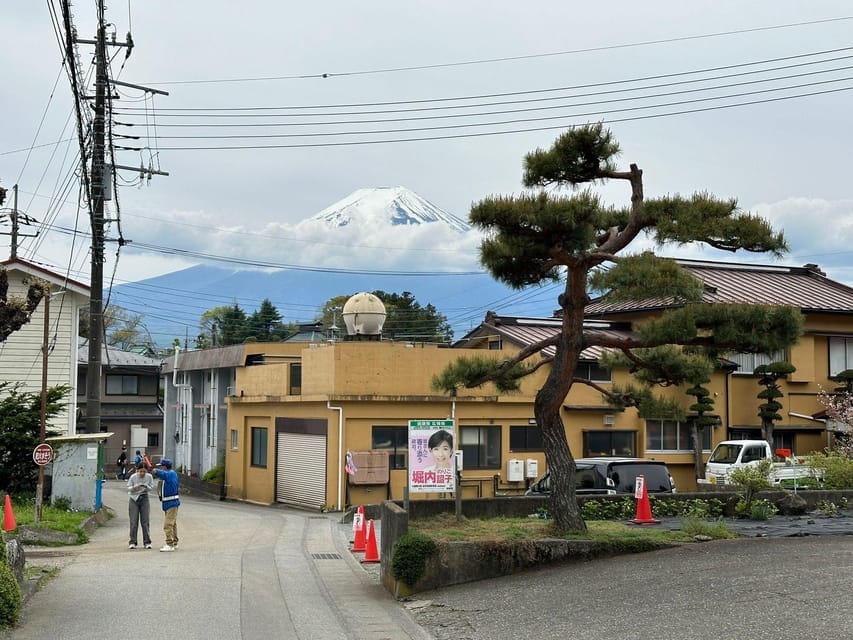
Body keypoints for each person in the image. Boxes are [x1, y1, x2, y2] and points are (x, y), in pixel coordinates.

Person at [151, 458, 180, 552]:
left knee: (168, 525)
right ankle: (174, 542)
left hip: (171, 502)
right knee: (173, 524)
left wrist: (156, 471)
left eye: (161, 466)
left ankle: (169, 544)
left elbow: (164, 474)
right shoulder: (169, 475)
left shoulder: (171, 474)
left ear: (165, 466)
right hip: (169, 503)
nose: (161, 468)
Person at [126, 463, 154, 549]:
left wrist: (146, 486)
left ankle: (147, 542)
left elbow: (151, 487)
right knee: (134, 521)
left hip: (144, 497)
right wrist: (134, 487)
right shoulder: (133, 477)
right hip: (134, 499)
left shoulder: (149, 477)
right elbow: (128, 488)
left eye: (144, 471)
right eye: (140, 471)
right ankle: (132, 541)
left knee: (145, 521)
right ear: (137, 470)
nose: (142, 473)